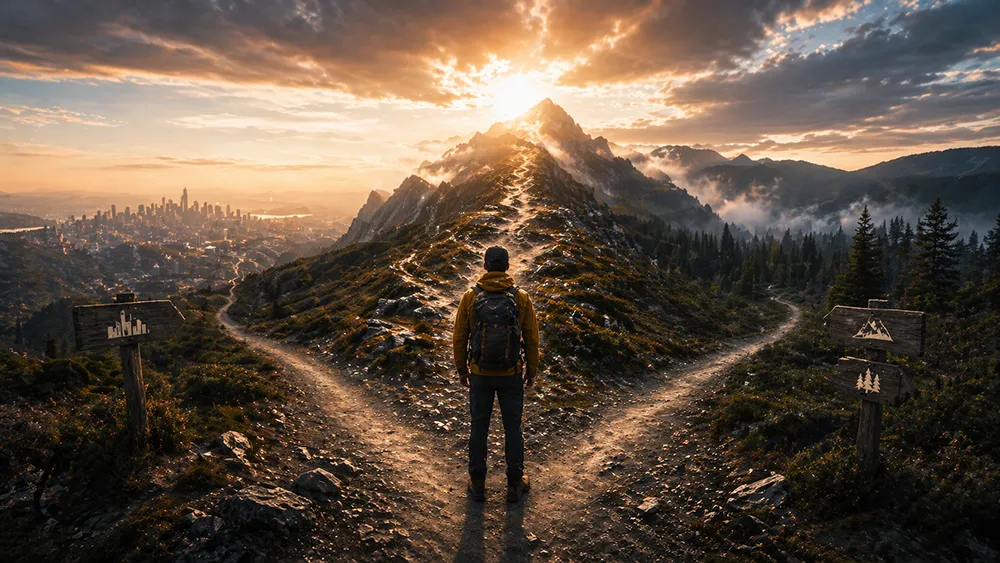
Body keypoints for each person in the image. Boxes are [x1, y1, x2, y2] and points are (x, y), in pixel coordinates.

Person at [453, 246, 540, 503]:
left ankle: (477, 483)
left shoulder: (470, 296)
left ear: (485, 266)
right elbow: (532, 339)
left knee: (479, 427)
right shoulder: (521, 297)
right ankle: (515, 483)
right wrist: (531, 371)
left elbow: (460, 336)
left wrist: (462, 369)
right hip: (511, 374)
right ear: (507, 267)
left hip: (480, 374)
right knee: (512, 427)